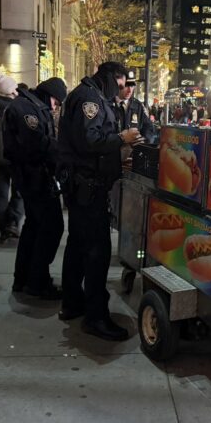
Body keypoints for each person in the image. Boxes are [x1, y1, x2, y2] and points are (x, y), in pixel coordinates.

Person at [58, 62, 143, 340]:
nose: (121, 90)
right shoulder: (90, 99)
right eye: (120, 84)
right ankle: (95, 317)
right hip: (88, 187)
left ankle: (73, 302)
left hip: (83, 185)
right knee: (97, 251)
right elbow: (90, 140)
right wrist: (121, 138)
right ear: (109, 78)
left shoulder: (89, 95)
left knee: (77, 246)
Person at [3, 77, 67, 299]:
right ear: (49, 95)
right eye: (56, 102)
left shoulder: (32, 106)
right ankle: (37, 281)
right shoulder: (25, 109)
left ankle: (24, 278)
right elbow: (37, 142)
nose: (55, 107)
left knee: (34, 227)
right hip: (33, 177)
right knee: (51, 227)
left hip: (33, 177)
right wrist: (63, 153)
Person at [0, 75, 24, 242]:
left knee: (0, 192)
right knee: (19, 190)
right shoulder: (15, 107)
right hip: (14, 153)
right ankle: (12, 221)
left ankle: (2, 223)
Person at [114, 69, 156, 142]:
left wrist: (144, 139)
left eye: (132, 86)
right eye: (126, 86)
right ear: (119, 85)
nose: (130, 90)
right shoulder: (108, 104)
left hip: (134, 148)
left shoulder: (137, 106)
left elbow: (148, 127)